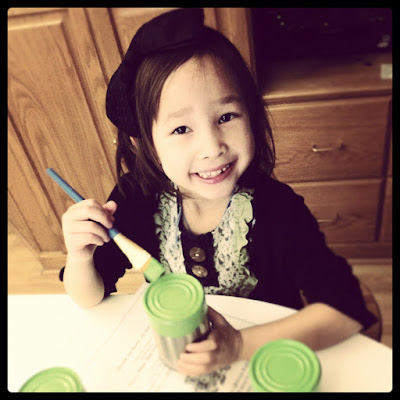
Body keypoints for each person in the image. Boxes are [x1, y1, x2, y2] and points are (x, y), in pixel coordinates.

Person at [60, 8, 376, 377]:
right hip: (180, 361)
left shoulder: (279, 211)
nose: (212, 147)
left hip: (265, 358)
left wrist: (238, 346)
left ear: (251, 115)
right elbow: (90, 296)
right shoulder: (135, 197)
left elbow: (346, 312)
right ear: (144, 143)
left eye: (226, 117)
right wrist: (80, 257)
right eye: (181, 129)